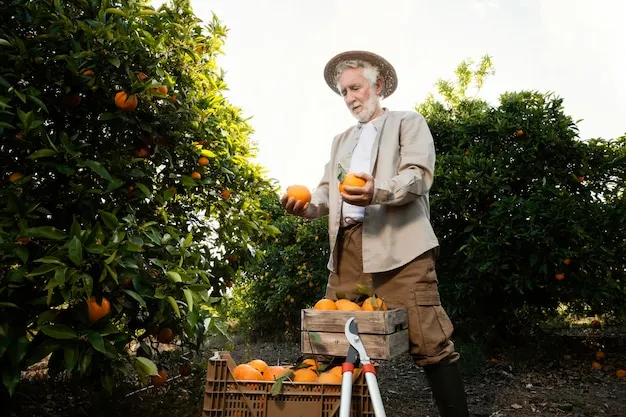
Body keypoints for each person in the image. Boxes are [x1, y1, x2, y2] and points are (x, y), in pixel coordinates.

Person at [281, 50, 469, 417]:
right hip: (347, 250)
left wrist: (376, 192)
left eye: (356, 88)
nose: (350, 98)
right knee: (334, 340)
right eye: (343, 92)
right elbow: (326, 192)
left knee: (429, 341)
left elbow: (417, 176)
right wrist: (306, 207)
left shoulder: (407, 122)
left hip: (400, 248)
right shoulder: (341, 141)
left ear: (377, 85)